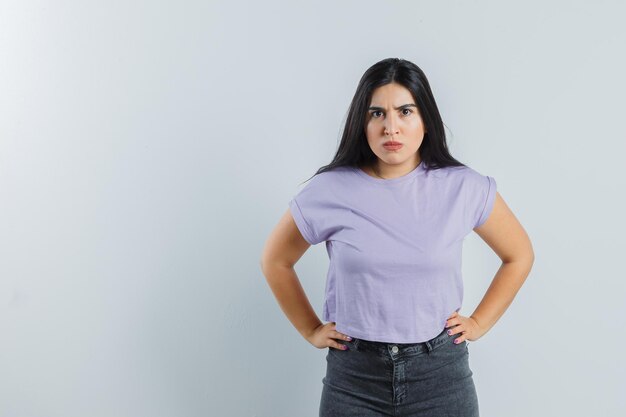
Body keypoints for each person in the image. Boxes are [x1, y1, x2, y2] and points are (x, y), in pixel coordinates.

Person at [260, 57, 534, 417]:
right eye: (377, 114)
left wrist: (479, 322)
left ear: (426, 119)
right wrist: (311, 328)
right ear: (362, 122)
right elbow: (276, 260)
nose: (391, 127)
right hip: (354, 377)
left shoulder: (463, 186)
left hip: (440, 376)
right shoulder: (329, 189)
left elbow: (519, 255)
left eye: (405, 111)